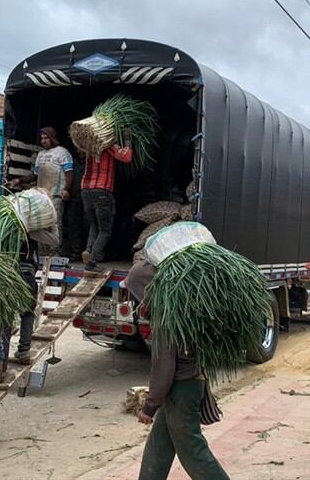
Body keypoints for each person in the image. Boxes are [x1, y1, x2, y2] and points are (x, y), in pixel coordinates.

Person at [124, 260, 229, 480]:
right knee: (159, 445)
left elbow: (164, 369)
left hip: (182, 390)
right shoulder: (180, 305)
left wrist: (150, 406)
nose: (137, 300)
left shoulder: (166, 317)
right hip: (185, 386)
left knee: (193, 451)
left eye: (137, 294)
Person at [11, 127, 74, 255]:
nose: (43, 141)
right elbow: (35, 175)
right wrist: (19, 180)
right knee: (41, 224)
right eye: (42, 138)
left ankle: (56, 251)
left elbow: (69, 172)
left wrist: (66, 190)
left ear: (52, 138)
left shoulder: (62, 152)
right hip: (42, 197)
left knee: (55, 224)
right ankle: (43, 252)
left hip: (56, 194)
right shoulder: (40, 155)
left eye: (46, 138)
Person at [81, 132, 133, 272]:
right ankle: (92, 262)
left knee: (94, 224)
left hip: (85, 190)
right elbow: (126, 157)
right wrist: (127, 141)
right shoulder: (109, 145)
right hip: (102, 191)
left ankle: (88, 249)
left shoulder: (89, 147)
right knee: (105, 230)